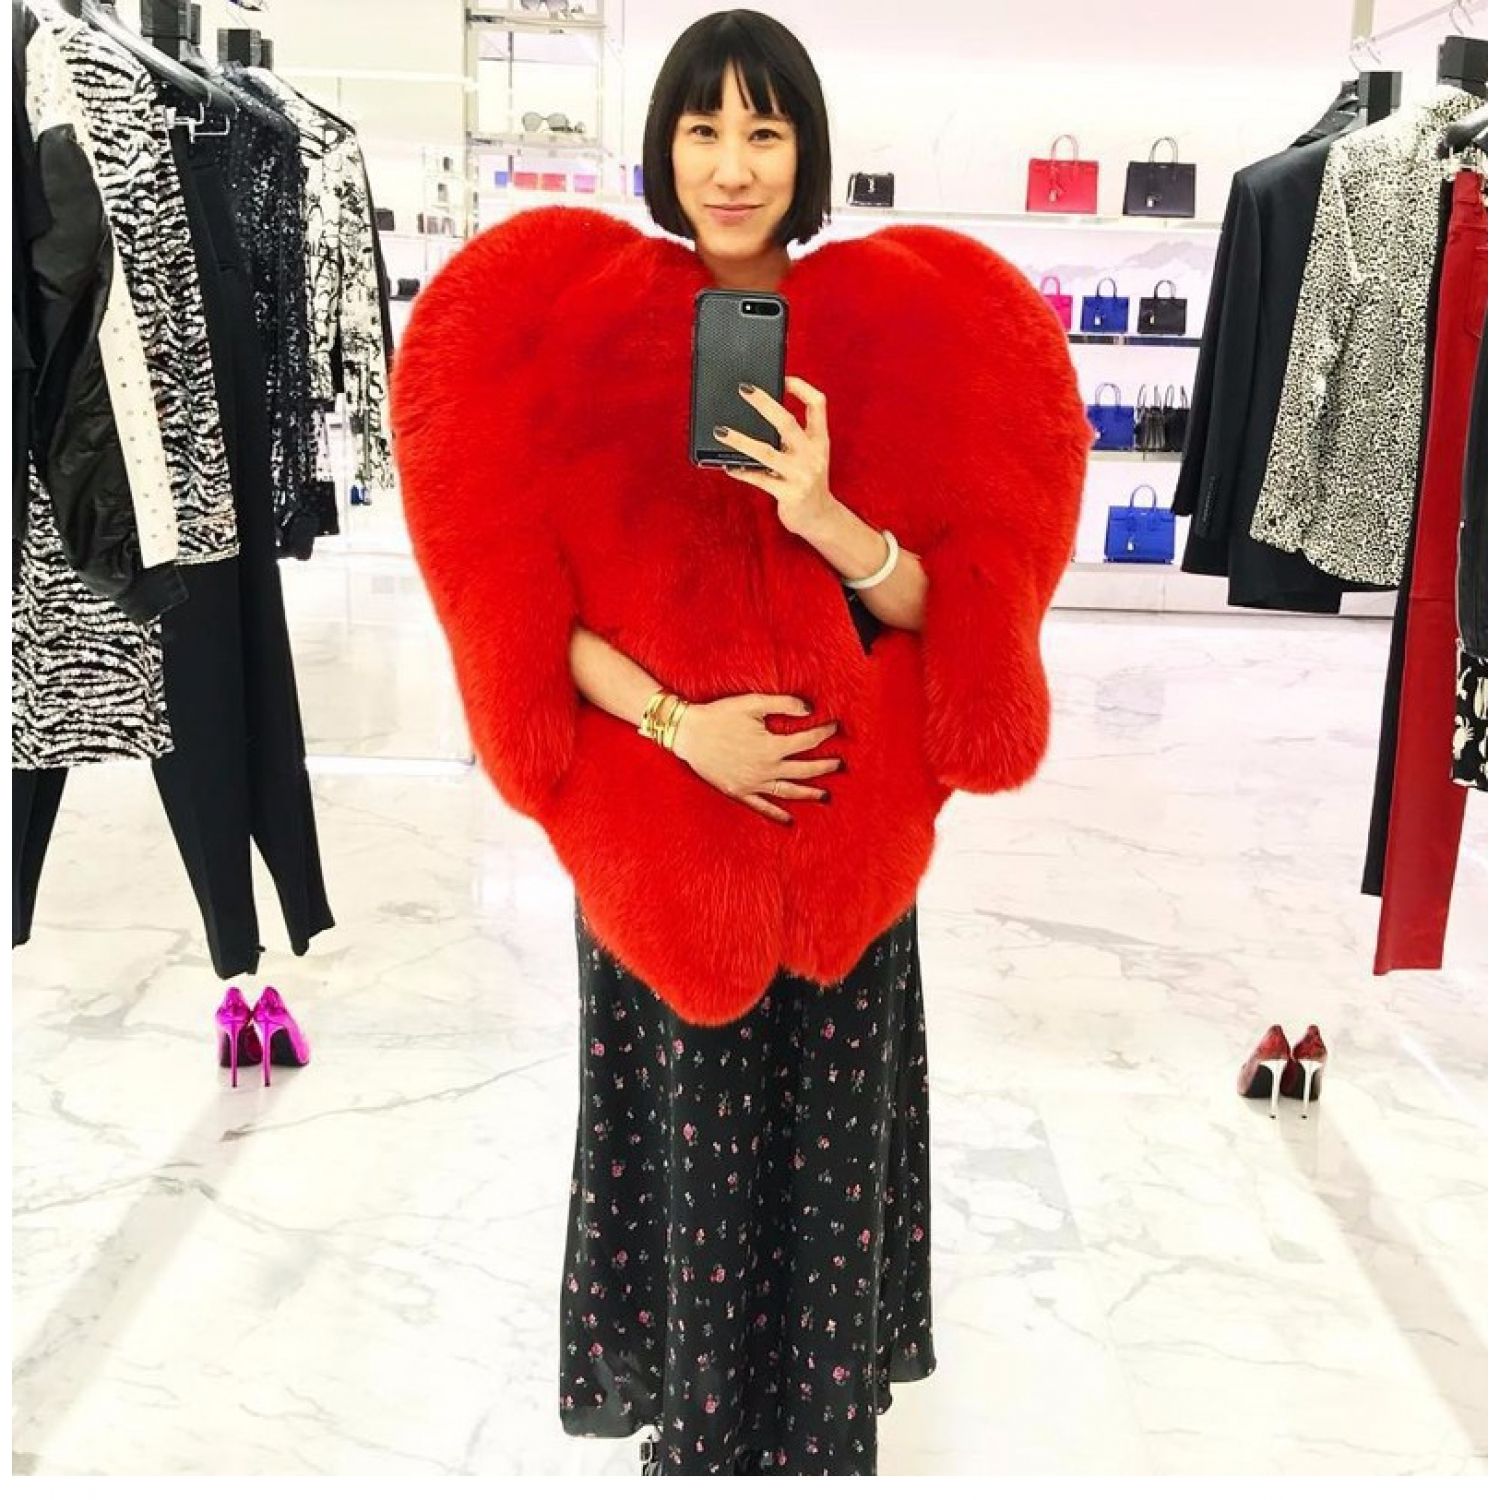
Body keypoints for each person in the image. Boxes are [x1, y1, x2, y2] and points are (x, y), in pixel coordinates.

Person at [392, 9, 1088, 1476]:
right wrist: (678, 729)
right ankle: (698, 1424)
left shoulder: (898, 334)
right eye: (702, 129)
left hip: (848, 847)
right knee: (688, 1134)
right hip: (658, 840)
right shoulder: (576, 330)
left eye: (763, 131)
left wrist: (826, 517)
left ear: (804, 152)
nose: (730, 166)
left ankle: (817, 1428)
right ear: (663, 147)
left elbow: (945, 610)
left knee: (831, 1141)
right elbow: (532, 610)